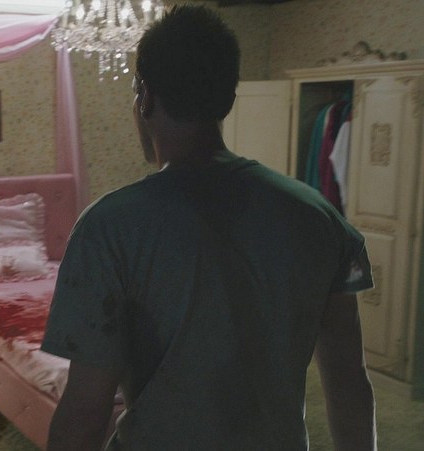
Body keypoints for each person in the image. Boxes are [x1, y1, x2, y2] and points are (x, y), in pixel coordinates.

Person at [41, 5, 376, 451]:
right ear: (228, 100)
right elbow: (349, 384)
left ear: (144, 96)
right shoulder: (319, 219)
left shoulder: (108, 229)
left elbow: (84, 414)